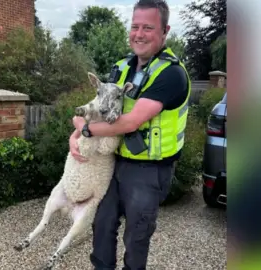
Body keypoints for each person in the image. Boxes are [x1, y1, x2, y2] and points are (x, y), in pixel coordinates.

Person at [69, 0, 191, 269]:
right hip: (114, 162)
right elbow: (99, 107)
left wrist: (86, 130)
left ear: (165, 30)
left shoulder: (171, 74)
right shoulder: (121, 66)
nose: (139, 34)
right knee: (101, 223)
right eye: (135, 26)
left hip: (149, 171)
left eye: (148, 27)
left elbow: (131, 122)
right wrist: (75, 134)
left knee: (136, 236)